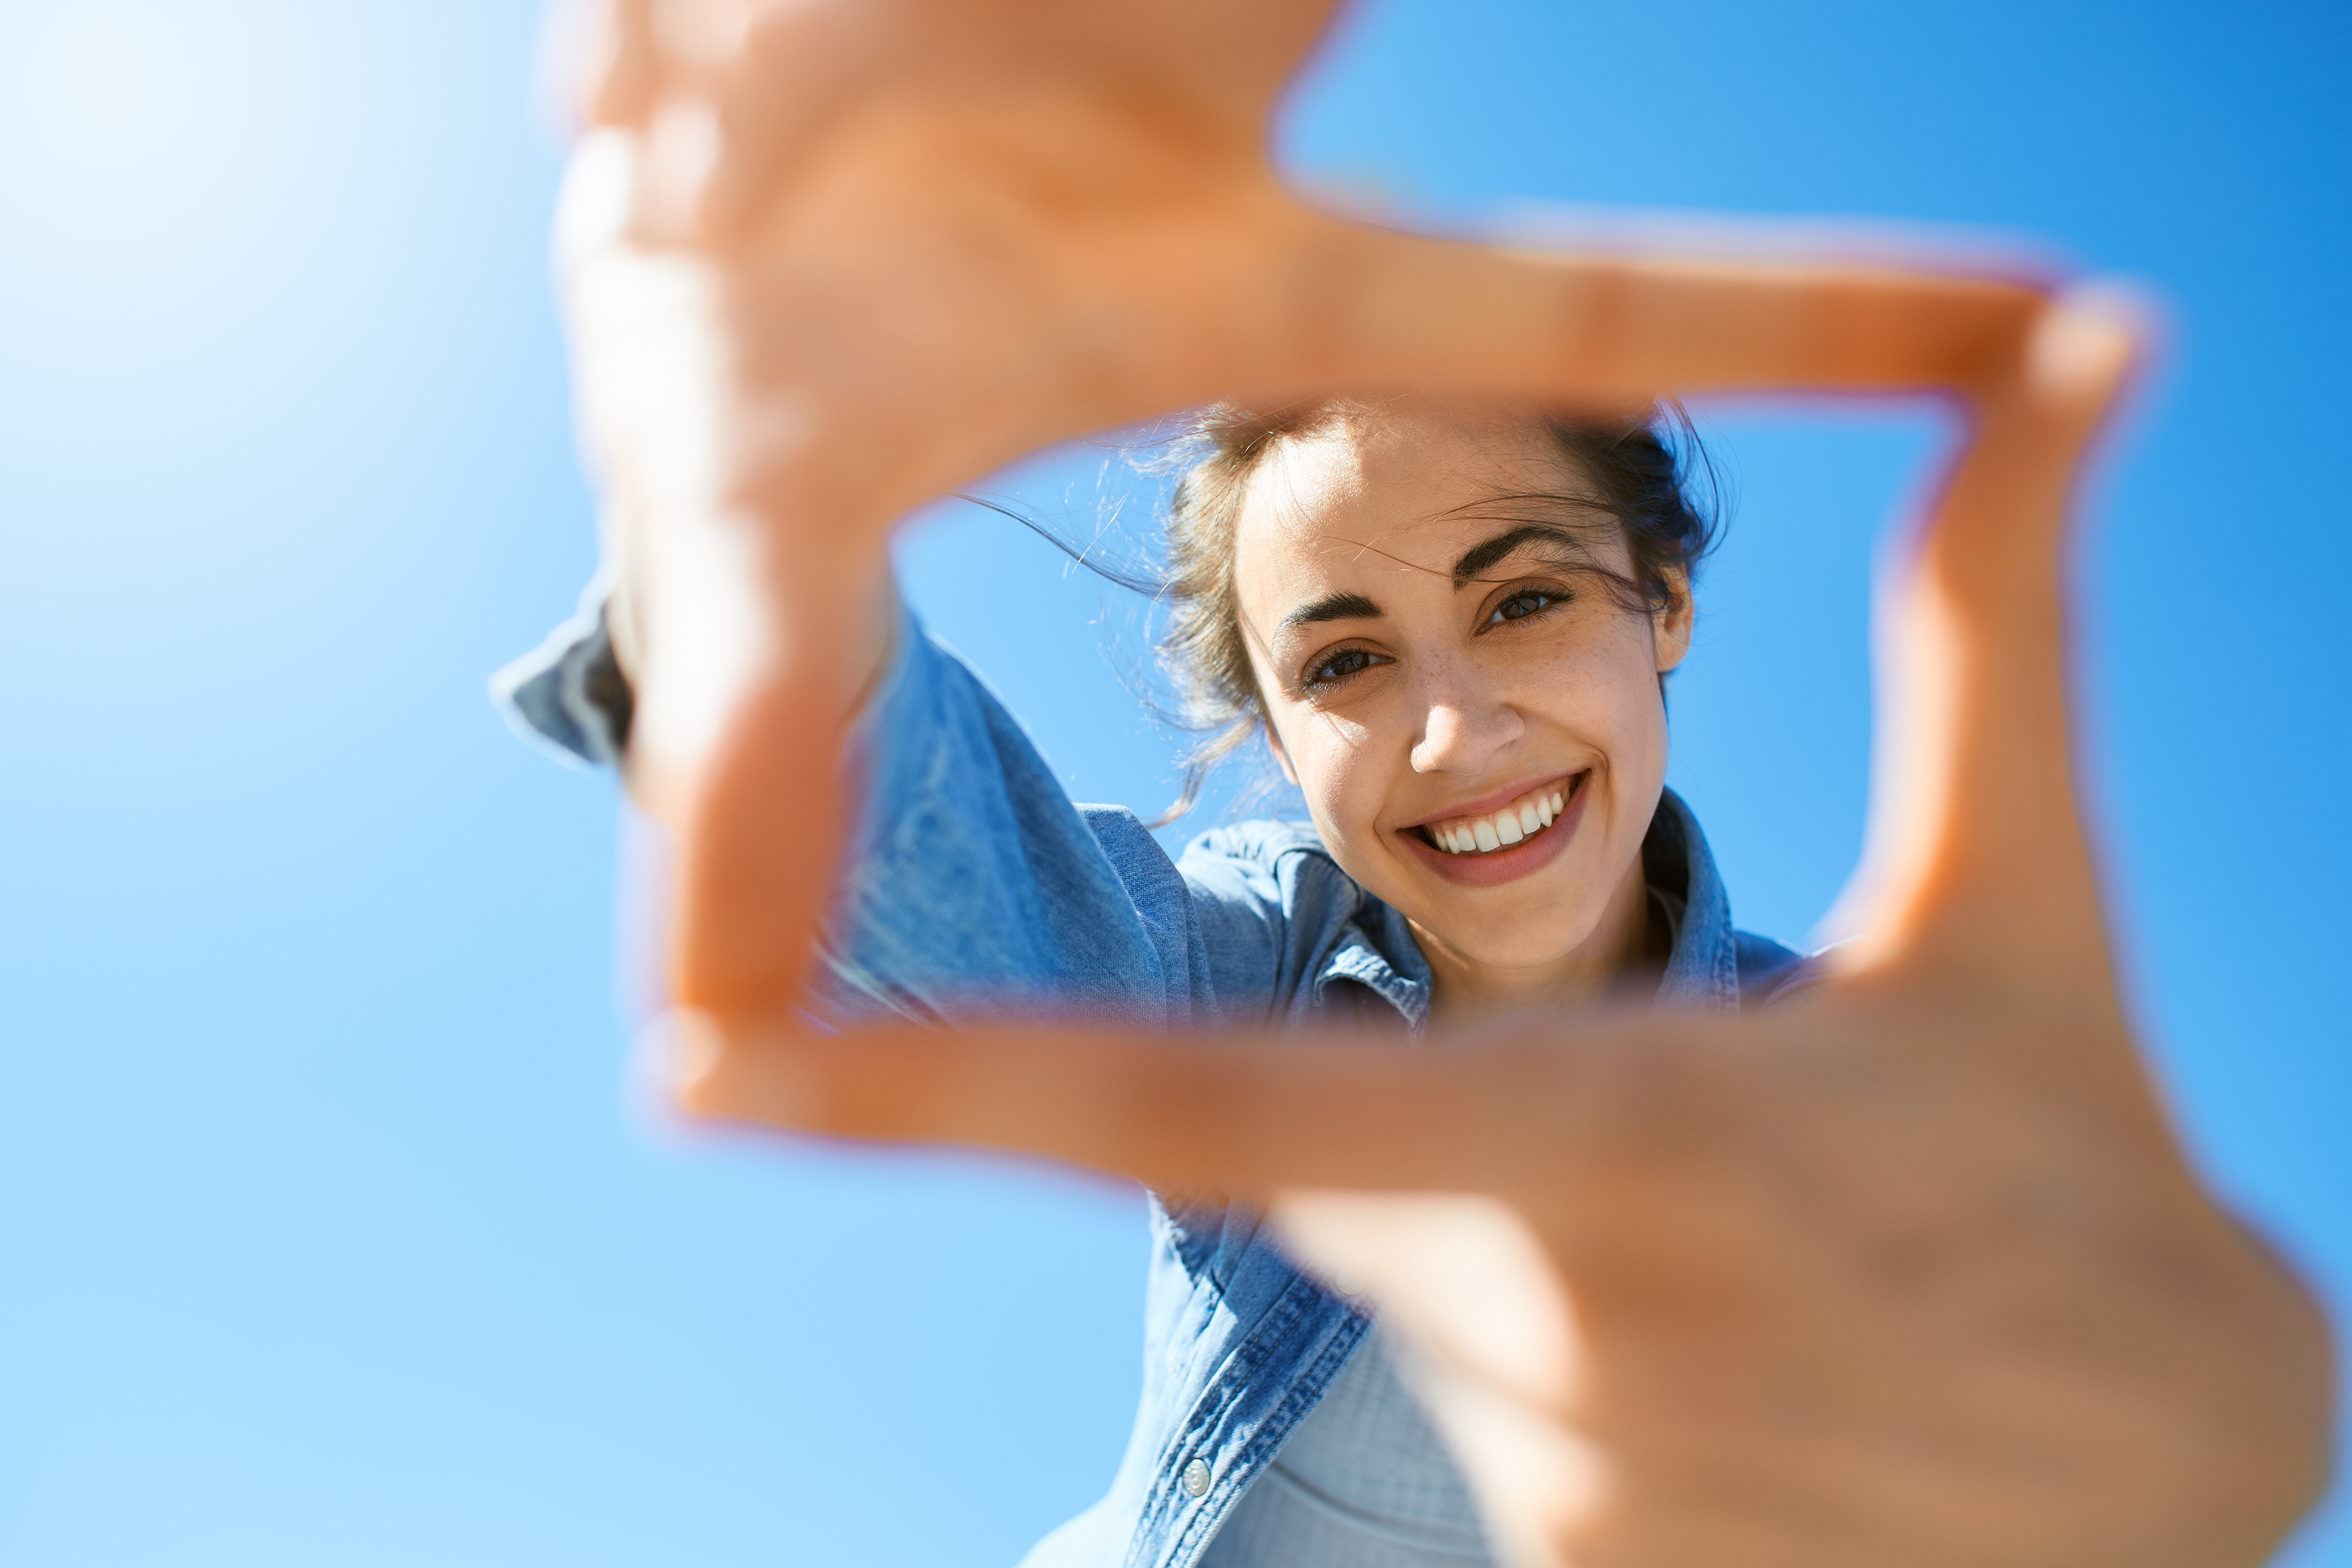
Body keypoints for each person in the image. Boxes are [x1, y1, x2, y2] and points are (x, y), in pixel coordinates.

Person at [511, 2, 2334, 1564]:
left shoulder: (1842, 1105)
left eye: (1523, 598)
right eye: (1344, 660)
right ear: (1278, 734)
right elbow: (925, 843)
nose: (1450, 739)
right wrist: (745, 512)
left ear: (1666, 603)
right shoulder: (1248, 973)